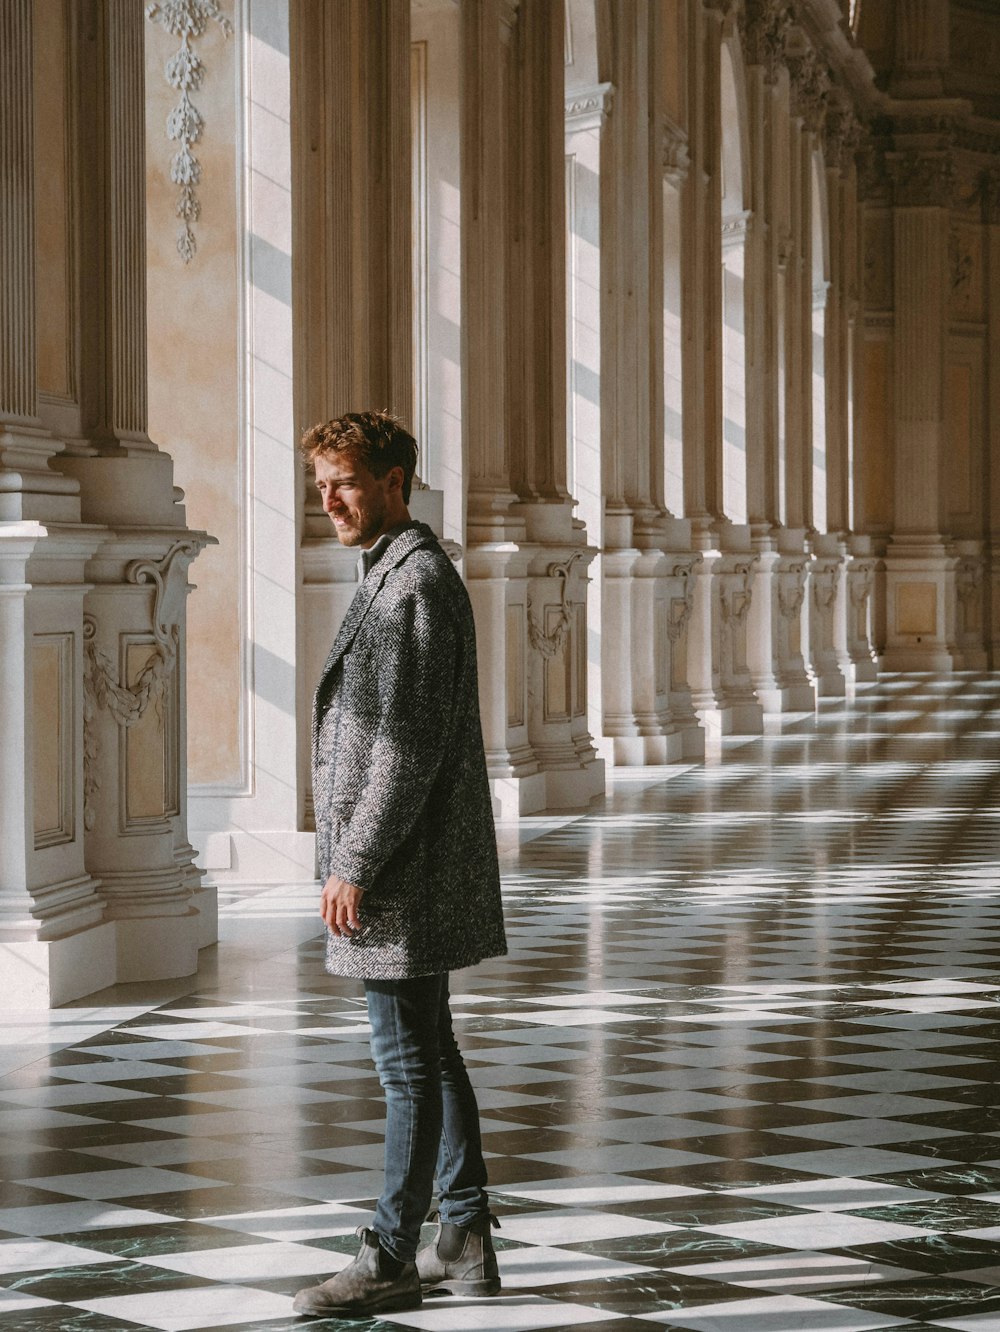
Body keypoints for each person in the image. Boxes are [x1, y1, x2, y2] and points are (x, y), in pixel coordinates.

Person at [292, 411, 507, 1319]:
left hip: (404, 870)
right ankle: (461, 1235)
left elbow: (403, 749)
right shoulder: (394, 572)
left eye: (343, 480)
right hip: (410, 865)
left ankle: (389, 1253)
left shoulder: (412, 583)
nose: (329, 500)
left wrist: (355, 863)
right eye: (319, 485)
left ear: (393, 481)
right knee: (429, 1047)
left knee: (404, 1065)